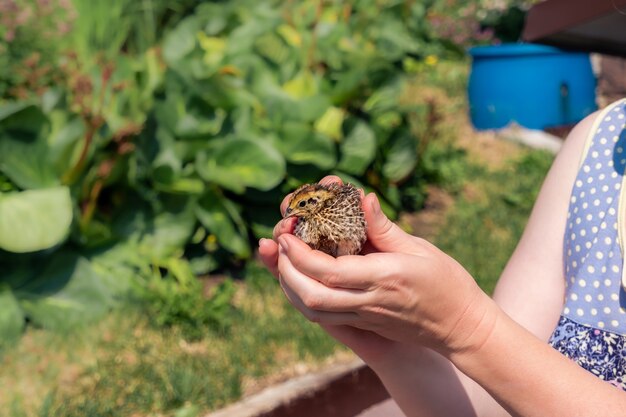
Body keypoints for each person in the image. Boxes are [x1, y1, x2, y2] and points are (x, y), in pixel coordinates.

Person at [258, 98, 626, 416]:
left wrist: (469, 328)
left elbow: (480, 342)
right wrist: (383, 336)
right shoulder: (598, 145)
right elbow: (492, 401)